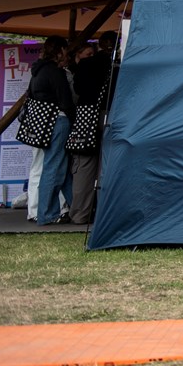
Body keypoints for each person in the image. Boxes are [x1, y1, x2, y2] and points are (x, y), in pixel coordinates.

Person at [67, 31, 117, 225]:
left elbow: (78, 90)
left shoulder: (87, 65)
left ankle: (80, 213)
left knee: (84, 165)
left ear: (100, 45)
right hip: (113, 115)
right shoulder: (121, 66)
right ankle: (106, 213)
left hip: (86, 116)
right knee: (108, 166)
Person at [28, 36, 75, 226]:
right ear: (60, 50)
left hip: (44, 122)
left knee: (60, 168)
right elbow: (66, 101)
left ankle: (79, 208)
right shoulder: (55, 72)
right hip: (59, 120)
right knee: (54, 167)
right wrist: (76, 121)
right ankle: (48, 212)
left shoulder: (37, 72)